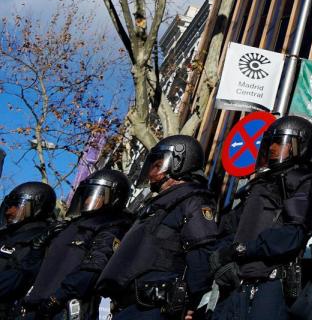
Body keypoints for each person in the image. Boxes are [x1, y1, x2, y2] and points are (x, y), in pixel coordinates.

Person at [209, 116, 312, 320]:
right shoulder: (257, 185)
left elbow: (292, 235)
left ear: (300, 146)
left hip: (270, 287)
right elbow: (229, 229)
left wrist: (244, 249)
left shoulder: (305, 183)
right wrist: (224, 257)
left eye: (280, 142)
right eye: (270, 142)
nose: (272, 148)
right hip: (235, 288)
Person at [97, 135, 219, 320]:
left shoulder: (192, 200)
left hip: (157, 308)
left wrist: (191, 302)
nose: (151, 172)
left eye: (157, 165)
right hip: (131, 307)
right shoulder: (155, 206)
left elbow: (202, 251)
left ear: (179, 163)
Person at [23, 169, 133, 320]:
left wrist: (58, 297)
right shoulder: (69, 226)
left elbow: (94, 266)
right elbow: (36, 269)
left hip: (66, 307)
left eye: (98, 195)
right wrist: (37, 248)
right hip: (34, 305)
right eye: (88, 194)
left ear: (114, 197)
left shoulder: (114, 225)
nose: (88, 200)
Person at [0, 181, 56, 318]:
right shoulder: (5, 234)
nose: (9, 211)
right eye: (9, 206)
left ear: (36, 207)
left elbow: (16, 279)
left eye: (17, 206)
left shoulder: (40, 239)